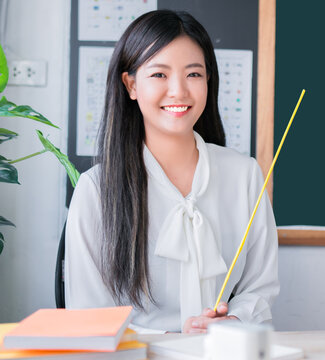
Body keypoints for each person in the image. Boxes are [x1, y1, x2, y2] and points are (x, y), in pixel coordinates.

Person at [64, 9, 279, 334]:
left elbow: (260, 288)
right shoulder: (95, 189)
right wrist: (173, 340)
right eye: (159, 75)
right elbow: (89, 317)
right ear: (131, 84)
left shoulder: (245, 176)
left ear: (208, 80)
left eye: (193, 74)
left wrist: (231, 322)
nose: (178, 91)